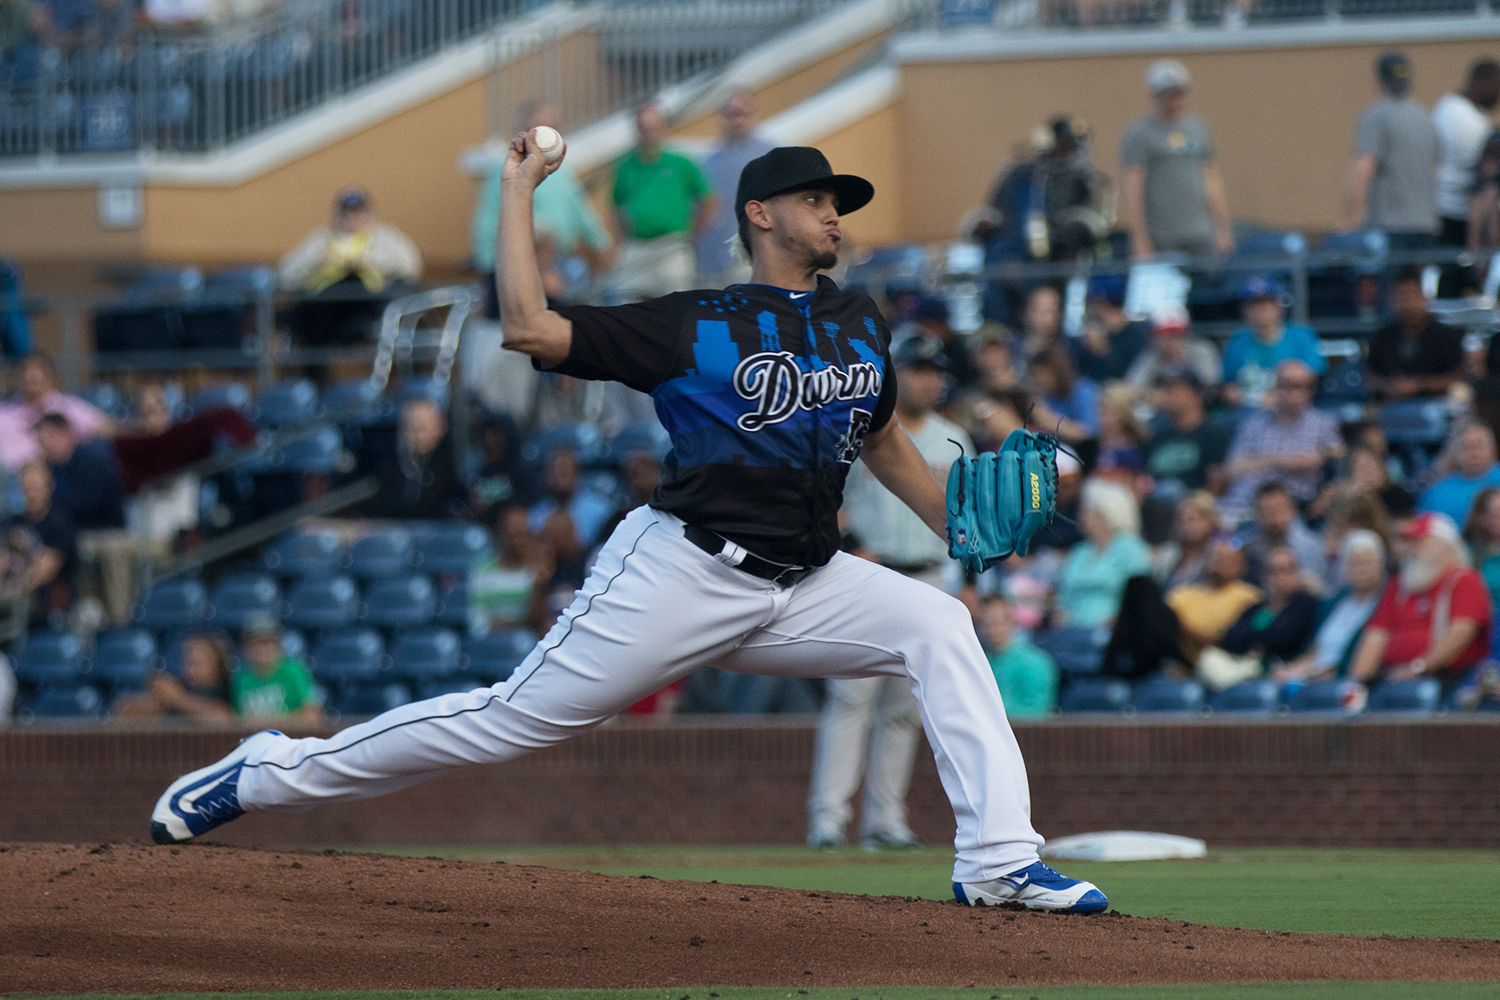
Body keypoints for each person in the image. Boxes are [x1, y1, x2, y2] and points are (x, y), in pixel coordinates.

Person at [149, 139, 1109, 915]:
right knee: (507, 723)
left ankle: (997, 863)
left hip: (807, 580)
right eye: (818, 199)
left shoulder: (860, 319)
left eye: (839, 202)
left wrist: (958, 524)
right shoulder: (691, 324)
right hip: (683, 572)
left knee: (938, 627)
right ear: (760, 214)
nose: (835, 215)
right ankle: (268, 770)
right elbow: (529, 326)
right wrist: (521, 187)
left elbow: (887, 444)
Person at [811, 334, 973, 852]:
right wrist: (853, 543)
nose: (928, 379)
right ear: (895, 371)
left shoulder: (955, 438)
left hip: (927, 573)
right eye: (918, 367)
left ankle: (886, 821)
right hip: (862, 572)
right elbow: (826, 496)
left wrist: (969, 582)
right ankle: (828, 821)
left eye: (935, 369)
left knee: (903, 709)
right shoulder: (862, 425)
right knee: (849, 698)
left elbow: (964, 516)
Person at [472, 102, 613, 317]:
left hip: (557, 268)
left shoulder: (563, 172)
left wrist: (601, 242)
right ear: (524, 128)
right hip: (516, 270)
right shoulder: (505, 168)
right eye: (541, 127)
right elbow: (487, 220)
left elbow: (581, 211)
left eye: (552, 127)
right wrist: (490, 268)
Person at [1350, 511, 1494, 696]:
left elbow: (1461, 633)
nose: (1411, 549)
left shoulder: (1465, 581)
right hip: (1392, 676)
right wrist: (1357, 683)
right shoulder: (1399, 585)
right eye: (1409, 542)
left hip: (1444, 678)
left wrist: (1419, 667)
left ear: (1444, 546)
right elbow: (1376, 635)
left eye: (1419, 542)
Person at [280, 188, 423, 348]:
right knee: (310, 314)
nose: (352, 218)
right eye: (347, 212)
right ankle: (315, 368)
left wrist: (368, 262)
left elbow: (412, 267)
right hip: (324, 306)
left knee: (353, 282)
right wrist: (317, 262)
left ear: (369, 214)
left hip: (368, 303)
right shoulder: (321, 239)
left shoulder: (385, 237)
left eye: (357, 212)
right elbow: (286, 273)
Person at [1120, 59, 1234, 260]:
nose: (1176, 101)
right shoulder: (1141, 133)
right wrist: (1139, 238)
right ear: (1156, 96)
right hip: (1162, 236)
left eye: (1180, 93)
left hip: (1199, 233)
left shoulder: (1198, 129)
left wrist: (1223, 227)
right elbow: (1133, 187)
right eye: (1169, 95)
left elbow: (1211, 178)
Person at [610, 103, 718, 299]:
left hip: (673, 244)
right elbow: (616, 206)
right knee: (625, 302)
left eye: (653, 128)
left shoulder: (681, 162)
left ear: (662, 129)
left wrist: (693, 234)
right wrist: (623, 238)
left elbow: (709, 200)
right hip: (638, 245)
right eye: (643, 129)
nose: (648, 134)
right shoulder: (625, 166)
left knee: (676, 305)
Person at [1338, 52, 1440, 247]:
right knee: (1415, 278)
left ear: (1380, 80)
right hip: (1427, 225)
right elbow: (1437, 171)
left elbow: (1363, 168)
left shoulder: (1376, 116)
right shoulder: (1426, 118)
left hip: (1390, 227)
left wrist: (1345, 221)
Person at [1222, 360, 1343, 517]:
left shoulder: (1324, 423)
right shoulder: (1254, 422)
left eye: (1299, 386)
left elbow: (1339, 459)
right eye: (1286, 385)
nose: (1292, 393)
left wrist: (1320, 457)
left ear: (1310, 389)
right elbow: (1231, 468)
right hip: (1243, 506)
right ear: (1276, 388)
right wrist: (1283, 460)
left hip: (1293, 510)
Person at [1274, 530, 1388, 684]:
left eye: (1367, 561)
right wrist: (1290, 671)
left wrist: (1310, 675)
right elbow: (1313, 651)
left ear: (1381, 564)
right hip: (1311, 676)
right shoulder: (1334, 602)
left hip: (1339, 682)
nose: (1361, 568)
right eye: (1354, 562)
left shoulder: (1386, 603)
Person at [696, 92, 775, 289]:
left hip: (752, 257)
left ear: (753, 115)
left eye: (742, 113)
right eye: (731, 114)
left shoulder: (770, 155)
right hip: (712, 259)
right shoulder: (708, 162)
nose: (737, 120)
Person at [1053, 478, 1151, 629]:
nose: (1081, 516)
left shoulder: (1131, 550)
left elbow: (1140, 599)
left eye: (1086, 510)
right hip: (1072, 635)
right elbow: (1063, 600)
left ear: (1105, 512)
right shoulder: (1079, 552)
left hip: (1114, 635)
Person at [1434, 61, 1500, 280]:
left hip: (1439, 207)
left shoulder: (1445, 107)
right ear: (1482, 84)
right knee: (1459, 276)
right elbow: (1485, 178)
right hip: (1459, 213)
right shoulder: (1471, 122)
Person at [1220, 278, 1327, 411]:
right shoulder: (1237, 341)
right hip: (1246, 419)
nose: (1261, 310)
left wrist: (1263, 399)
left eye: (1267, 303)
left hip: (1292, 415)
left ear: (1280, 307)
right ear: (1244, 310)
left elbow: (1309, 383)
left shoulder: (1301, 337)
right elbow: (1228, 388)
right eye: (1254, 304)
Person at [0, 353, 112, 470]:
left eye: (38, 370)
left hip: (58, 479)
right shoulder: (4, 412)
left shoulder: (66, 406)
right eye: (25, 370)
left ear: (50, 375)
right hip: (9, 480)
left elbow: (106, 427)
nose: (30, 375)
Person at [1367, 267, 1465, 400]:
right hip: (1391, 404)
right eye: (1402, 296)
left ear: (1424, 297)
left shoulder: (1445, 335)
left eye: (1412, 295)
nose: (1408, 303)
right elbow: (1370, 376)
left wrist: (1419, 385)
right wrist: (1388, 386)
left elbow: (1458, 376)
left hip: (1436, 403)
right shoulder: (1383, 336)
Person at [1217, 545, 1320, 671]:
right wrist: (1257, 644)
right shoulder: (1257, 607)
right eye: (1272, 572)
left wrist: (1254, 644)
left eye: (1284, 570)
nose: (1278, 577)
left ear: (1296, 573)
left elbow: (1283, 640)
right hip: (1243, 667)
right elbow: (1230, 640)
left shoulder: (1306, 604)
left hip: (1282, 671)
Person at [361, 398, 464, 521]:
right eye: (412, 428)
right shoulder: (392, 468)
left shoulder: (452, 467)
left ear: (441, 427)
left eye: (423, 428)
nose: (418, 436)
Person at [526, 447, 616, 587]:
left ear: (577, 473)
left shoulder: (602, 510)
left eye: (565, 471)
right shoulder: (535, 515)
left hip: (591, 577)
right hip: (549, 580)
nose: (560, 476)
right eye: (555, 472)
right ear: (546, 477)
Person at [1166, 538, 1262, 663]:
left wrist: (1188, 633)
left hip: (1228, 670)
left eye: (1226, 558)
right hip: (1178, 670)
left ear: (1241, 565)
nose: (1218, 560)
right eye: (1214, 555)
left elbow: (1233, 640)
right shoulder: (1179, 595)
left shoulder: (1250, 596)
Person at [468, 504, 555, 638]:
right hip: (494, 648)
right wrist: (516, 626)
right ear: (502, 534)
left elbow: (538, 625)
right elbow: (479, 626)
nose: (519, 542)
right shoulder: (483, 571)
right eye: (513, 536)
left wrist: (539, 584)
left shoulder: (538, 570)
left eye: (524, 535)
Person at [1143, 371, 1230, 495]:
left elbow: (1216, 482)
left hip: (1191, 501)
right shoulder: (1158, 436)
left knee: (1171, 489)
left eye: (1177, 390)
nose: (1170, 396)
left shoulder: (1214, 434)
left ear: (1197, 395)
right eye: (1168, 391)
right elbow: (1146, 477)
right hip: (1154, 501)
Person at [12, 459, 75, 629]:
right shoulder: (13, 522)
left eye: (36, 485)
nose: (31, 491)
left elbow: (46, 569)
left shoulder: (59, 522)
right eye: (27, 486)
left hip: (51, 610)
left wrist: (11, 588)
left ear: (48, 486)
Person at [114, 633, 233, 720]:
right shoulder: (180, 686)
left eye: (198, 662)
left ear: (217, 664)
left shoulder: (227, 689)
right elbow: (123, 709)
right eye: (189, 661)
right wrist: (157, 699)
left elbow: (224, 718)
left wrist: (179, 699)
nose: (191, 669)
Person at [231, 617, 323, 723]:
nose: (261, 648)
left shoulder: (293, 672)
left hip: (290, 737)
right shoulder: (241, 679)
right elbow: (236, 721)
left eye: (266, 642)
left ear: (277, 645)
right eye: (255, 643)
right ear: (246, 647)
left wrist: (271, 721)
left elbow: (312, 715)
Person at [978, 596, 1057, 719]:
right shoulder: (977, 663)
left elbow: (1038, 713)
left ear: (1010, 622)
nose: (991, 630)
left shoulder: (1037, 664)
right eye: (985, 624)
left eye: (996, 623)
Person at [1240, 481, 1328, 588]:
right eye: (1267, 512)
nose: (1274, 518)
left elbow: (1317, 586)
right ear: (1257, 514)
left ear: (1292, 511)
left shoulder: (1311, 545)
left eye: (1279, 510)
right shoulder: (1249, 549)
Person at [1419, 421, 1500, 527]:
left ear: (1493, 449)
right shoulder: (1438, 491)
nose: (1473, 453)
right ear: (1456, 454)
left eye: (1479, 446)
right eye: (1466, 448)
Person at [1074, 275, 1148, 383]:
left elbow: (1132, 377)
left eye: (1096, 303)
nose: (1092, 308)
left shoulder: (1135, 334)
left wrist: (1105, 350)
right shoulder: (1092, 332)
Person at [1026, 346, 1097, 445]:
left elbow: (1089, 434)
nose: (1040, 380)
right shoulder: (1044, 397)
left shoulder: (1084, 391)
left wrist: (1048, 420)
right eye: (1036, 375)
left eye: (1044, 374)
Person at [1153, 490, 1220, 590]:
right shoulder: (1169, 555)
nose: (1185, 525)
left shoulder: (1218, 557)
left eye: (1192, 519)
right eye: (1180, 520)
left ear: (1210, 521)